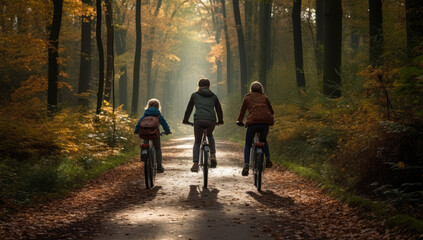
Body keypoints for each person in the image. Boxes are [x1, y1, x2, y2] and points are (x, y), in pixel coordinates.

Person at [182, 78, 224, 172]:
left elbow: (189, 109)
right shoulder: (214, 96)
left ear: (199, 86)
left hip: (199, 120)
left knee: (197, 141)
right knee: (210, 135)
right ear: (209, 86)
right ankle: (213, 155)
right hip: (211, 120)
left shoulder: (194, 95)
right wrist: (220, 120)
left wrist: (185, 120)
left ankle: (195, 164)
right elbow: (219, 110)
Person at [237, 81, 274, 176]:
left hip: (252, 123)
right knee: (263, 140)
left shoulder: (247, 97)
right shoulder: (265, 97)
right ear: (261, 89)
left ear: (251, 89)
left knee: (248, 144)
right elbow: (271, 111)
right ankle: (268, 159)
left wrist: (239, 121)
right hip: (264, 123)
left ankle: (246, 165)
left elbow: (242, 111)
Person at [134, 98, 171, 173]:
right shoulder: (158, 114)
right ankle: (159, 166)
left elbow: (139, 123)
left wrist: (136, 131)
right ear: (158, 106)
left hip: (145, 133)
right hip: (155, 134)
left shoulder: (145, 114)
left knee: (146, 143)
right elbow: (164, 123)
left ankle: (144, 152)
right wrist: (167, 131)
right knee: (157, 148)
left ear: (148, 106)